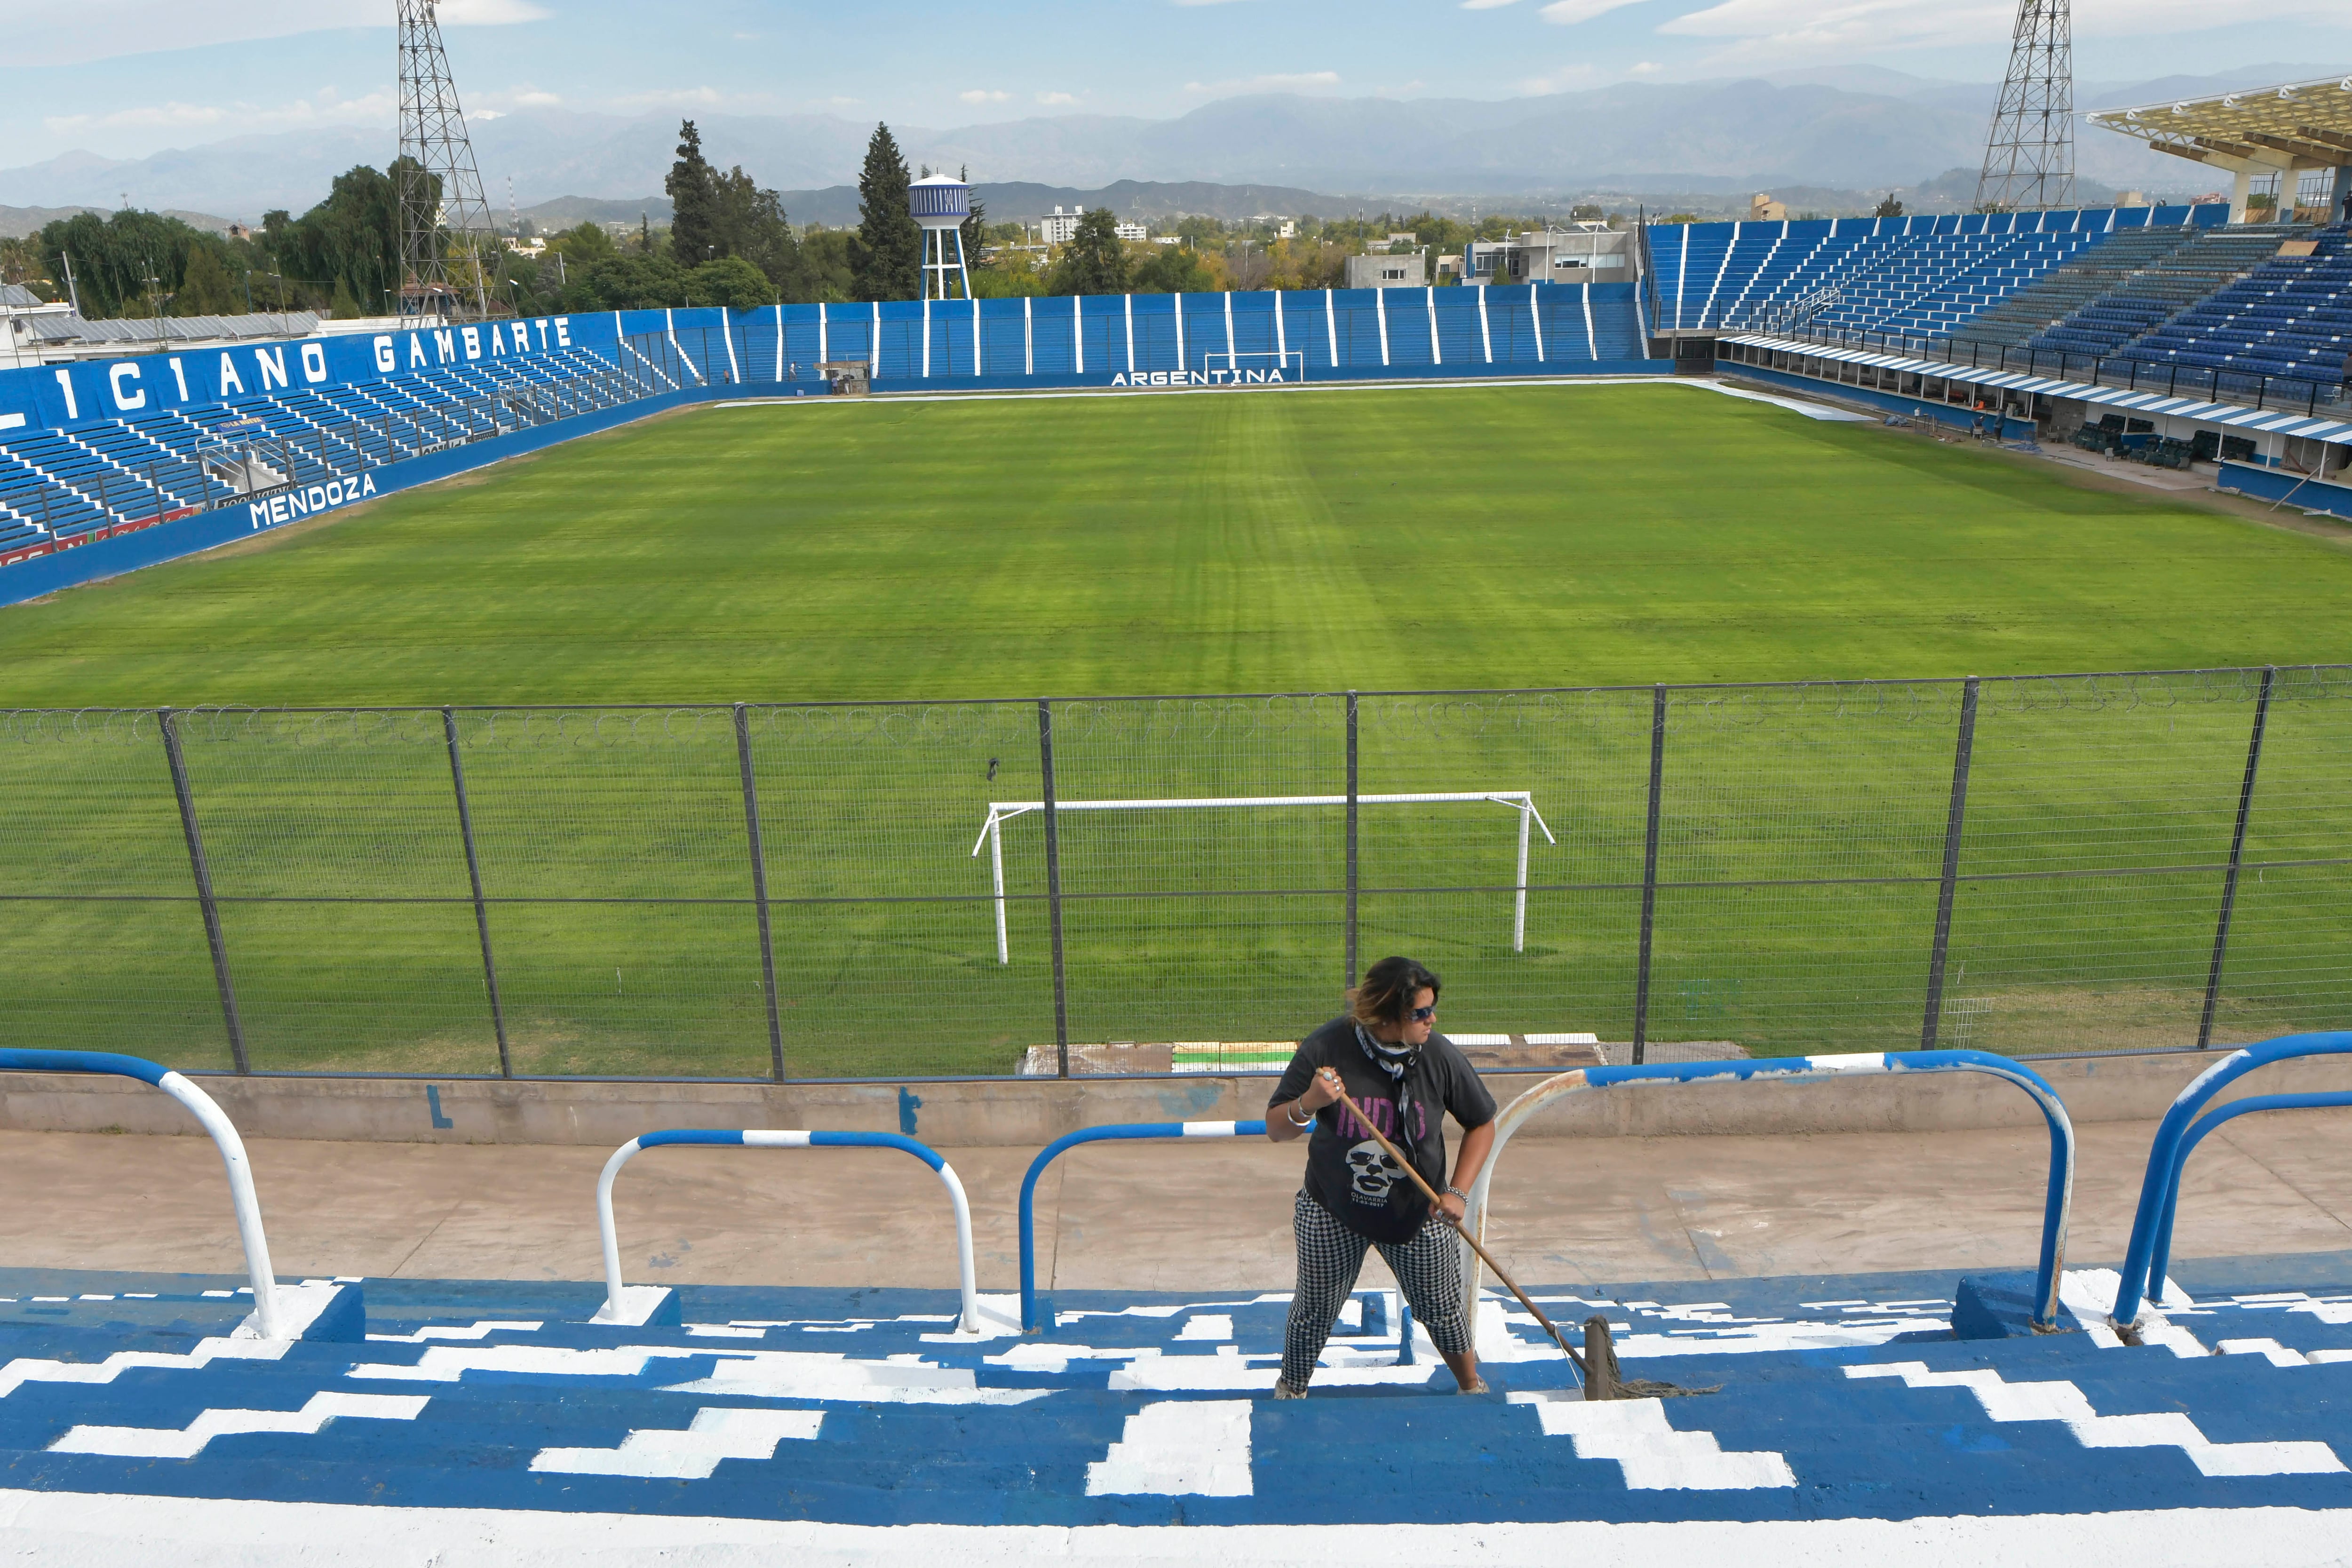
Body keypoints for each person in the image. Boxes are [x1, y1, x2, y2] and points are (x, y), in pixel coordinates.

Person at [1265, 955, 1497, 1398]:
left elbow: (1482, 1122)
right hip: (1332, 1208)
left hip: (1418, 1213)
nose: (1432, 1020)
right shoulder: (1327, 1047)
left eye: (1432, 1009)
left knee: (1443, 1308)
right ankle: (1291, 1387)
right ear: (1388, 1017)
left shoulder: (1438, 1055)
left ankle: (1471, 1384)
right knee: (1314, 1309)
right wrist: (1310, 1101)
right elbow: (1277, 1128)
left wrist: (1458, 1192)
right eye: (1420, 1013)